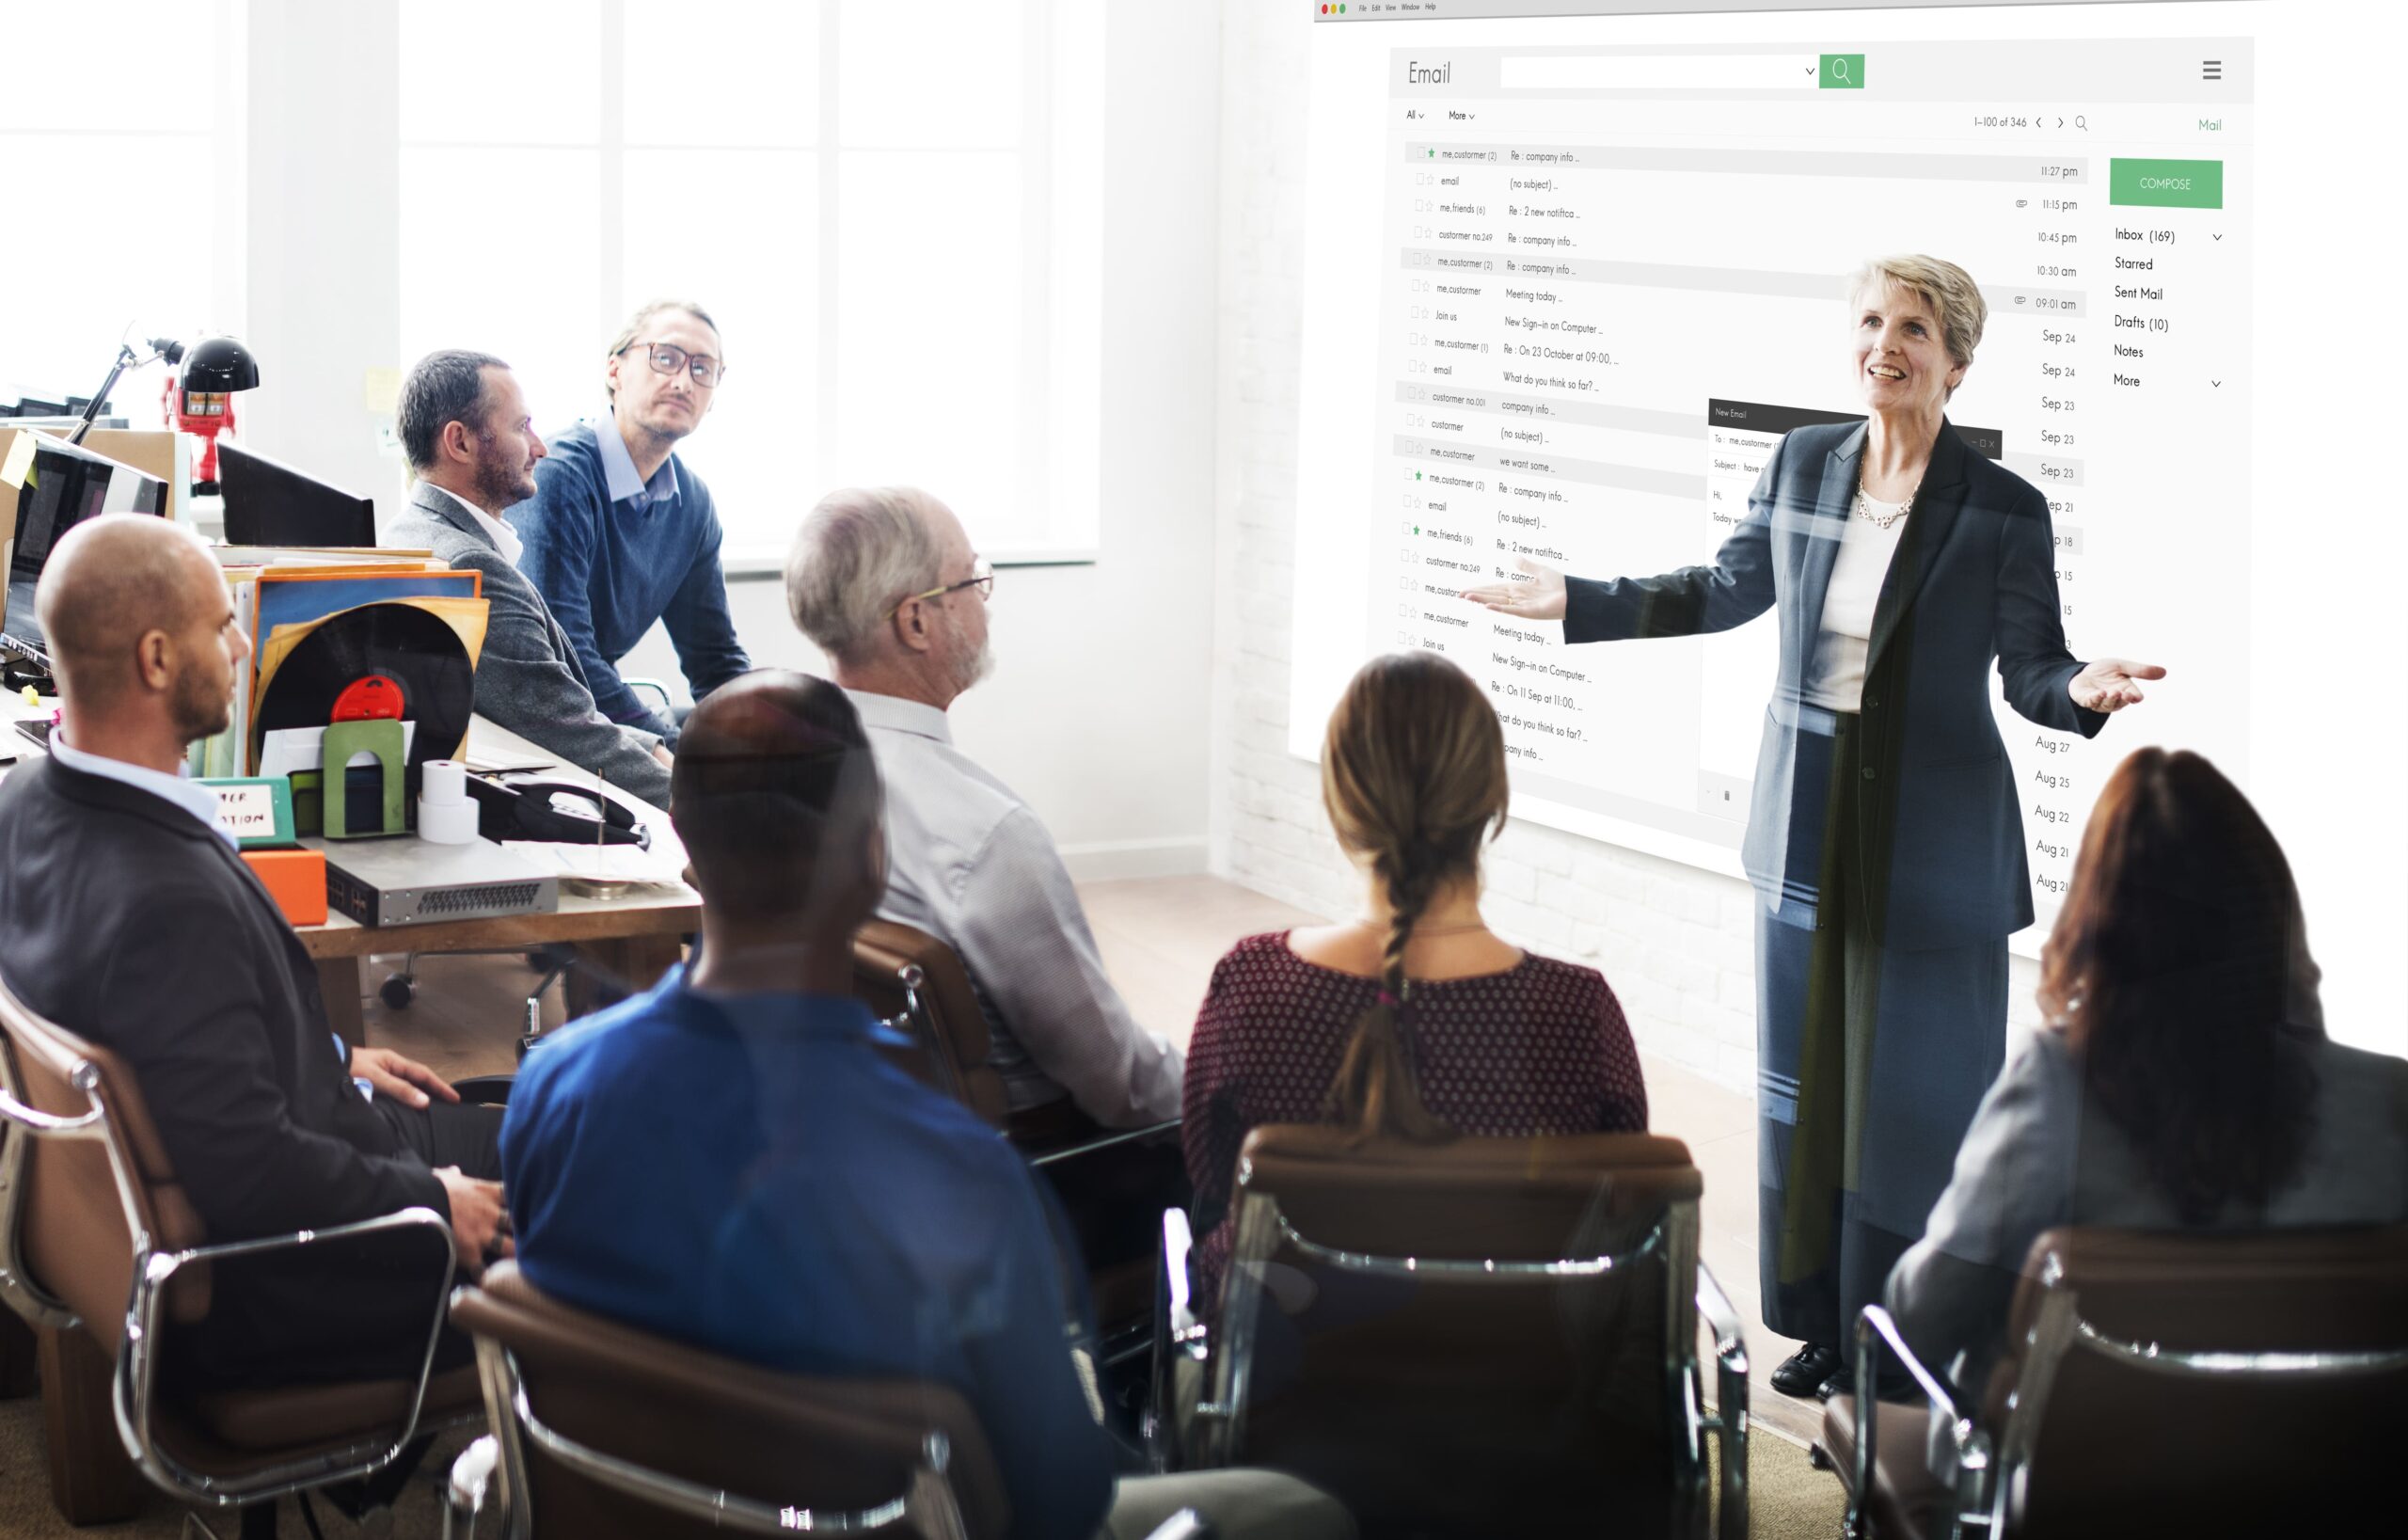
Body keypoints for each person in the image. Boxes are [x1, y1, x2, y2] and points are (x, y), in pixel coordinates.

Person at [1464, 255, 2164, 1400]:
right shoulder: (1802, 460)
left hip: (1933, 846)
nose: (1886, 344)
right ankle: (1825, 1324)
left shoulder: (2000, 507)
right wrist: (1581, 598)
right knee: (1807, 1096)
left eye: (1916, 330)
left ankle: (1918, 1332)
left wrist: (2081, 686)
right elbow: (1730, 585)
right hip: (1802, 821)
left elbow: (2030, 666)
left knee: (1920, 1103)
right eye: (1873, 321)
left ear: (1958, 361)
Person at [500, 674, 1354, 1540]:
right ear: (873, 857)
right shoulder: (957, 1174)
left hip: (641, 1511)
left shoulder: (552, 1088)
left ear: (682, 841)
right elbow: (1061, 1500)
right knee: (1304, 1512)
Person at [0, 515, 509, 1389]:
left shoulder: (25, 802)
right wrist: (433, 1201)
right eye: (221, 624)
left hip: (272, 1158)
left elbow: (168, 1041)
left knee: (534, 1109)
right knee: (599, 1172)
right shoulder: (167, 901)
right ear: (157, 660)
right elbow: (253, 1172)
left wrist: (335, 1056)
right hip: (292, 1270)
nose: (242, 646)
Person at [1887, 748, 2408, 1398]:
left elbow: (1923, 1318)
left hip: (2078, 1483)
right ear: (2274, 915)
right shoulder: (2389, 1100)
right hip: (2318, 1480)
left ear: (2098, 926)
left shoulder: (2056, 1087)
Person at [1183, 651, 1649, 1307]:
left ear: (1338, 799)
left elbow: (1209, 1177)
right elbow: (1620, 1228)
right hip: (1527, 1384)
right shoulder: (1576, 1014)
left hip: (1290, 1380)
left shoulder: (1255, 987)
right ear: (1493, 799)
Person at [784, 485, 1181, 1129]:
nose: (985, 601)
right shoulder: (986, 836)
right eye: (972, 579)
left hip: (852, 1136)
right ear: (917, 621)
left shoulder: (775, 773)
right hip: (1034, 1169)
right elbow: (1121, 1086)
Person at [388, 349, 673, 808]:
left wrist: (654, 747)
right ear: (459, 442)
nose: (540, 446)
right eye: (522, 427)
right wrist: (705, 809)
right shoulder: (469, 567)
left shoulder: (411, 533)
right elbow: (566, 733)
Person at [508, 300, 750, 747]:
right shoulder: (560, 475)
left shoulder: (692, 505)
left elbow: (714, 661)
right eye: (666, 357)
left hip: (593, 715)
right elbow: (568, 658)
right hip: (531, 723)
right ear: (615, 372)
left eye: (704, 369)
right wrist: (674, 748)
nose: (683, 381)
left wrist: (773, 736)